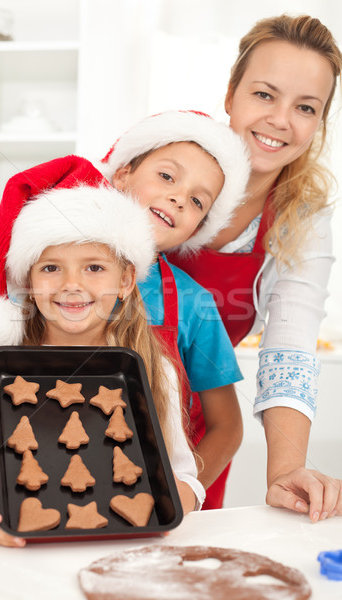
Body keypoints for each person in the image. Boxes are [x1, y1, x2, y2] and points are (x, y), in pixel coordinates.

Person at [0, 156, 206, 546]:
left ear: (125, 280)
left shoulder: (157, 371)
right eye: (51, 268)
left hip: (129, 552)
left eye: (93, 268)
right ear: (29, 280)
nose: (72, 285)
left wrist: (171, 504)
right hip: (19, 561)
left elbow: (184, 477)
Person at [169, 14, 342, 521]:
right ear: (231, 95)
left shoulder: (303, 215)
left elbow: (290, 343)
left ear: (318, 122)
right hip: (93, 400)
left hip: (203, 434)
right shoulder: (168, 157)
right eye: (265, 95)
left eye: (305, 107)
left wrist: (285, 469)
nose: (281, 120)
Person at [99, 109, 251, 509]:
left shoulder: (194, 302)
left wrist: (179, 489)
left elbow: (227, 426)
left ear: (197, 228)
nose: (178, 198)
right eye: (167, 176)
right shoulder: (51, 272)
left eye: (197, 201)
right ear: (123, 174)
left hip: (151, 495)